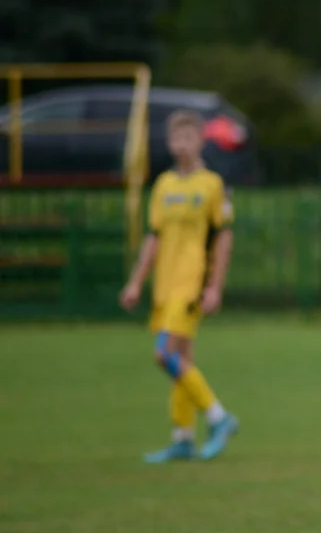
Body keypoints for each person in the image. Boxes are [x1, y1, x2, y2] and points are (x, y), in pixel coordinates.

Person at [120, 109, 240, 462]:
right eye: (175, 139)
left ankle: (219, 417)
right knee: (182, 361)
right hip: (164, 286)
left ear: (200, 140)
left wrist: (214, 286)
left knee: (165, 354)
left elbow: (223, 240)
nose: (180, 145)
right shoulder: (163, 186)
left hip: (191, 285)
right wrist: (135, 282)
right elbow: (153, 239)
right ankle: (183, 437)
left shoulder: (212, 185)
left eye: (187, 138)